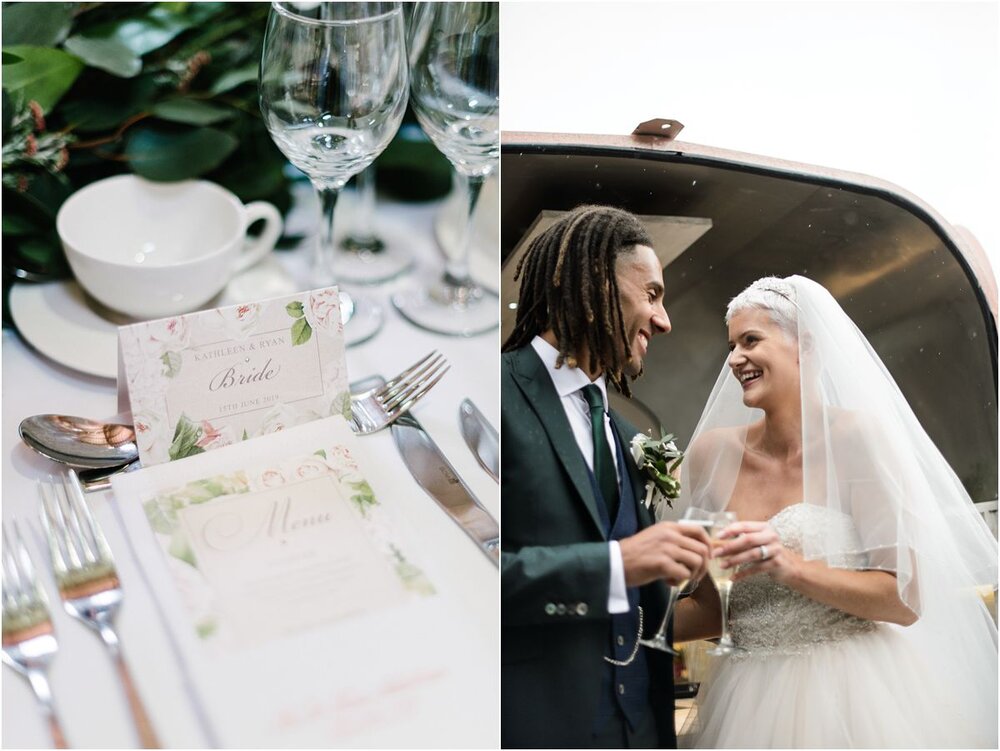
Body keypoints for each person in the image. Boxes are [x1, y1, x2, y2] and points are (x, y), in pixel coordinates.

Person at [672, 275, 998, 748]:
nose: (734, 358)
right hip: (747, 705)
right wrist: (618, 620)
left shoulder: (857, 441)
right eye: (731, 345)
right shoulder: (709, 456)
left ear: (804, 344)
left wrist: (789, 567)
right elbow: (709, 609)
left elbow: (904, 600)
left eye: (751, 340)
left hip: (855, 699)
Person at [501, 204, 712, 749]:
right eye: (653, 295)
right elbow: (467, 574)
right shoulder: (494, 393)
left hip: (640, 724)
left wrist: (695, 573)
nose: (664, 321)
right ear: (595, 280)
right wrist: (617, 564)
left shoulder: (623, 430)